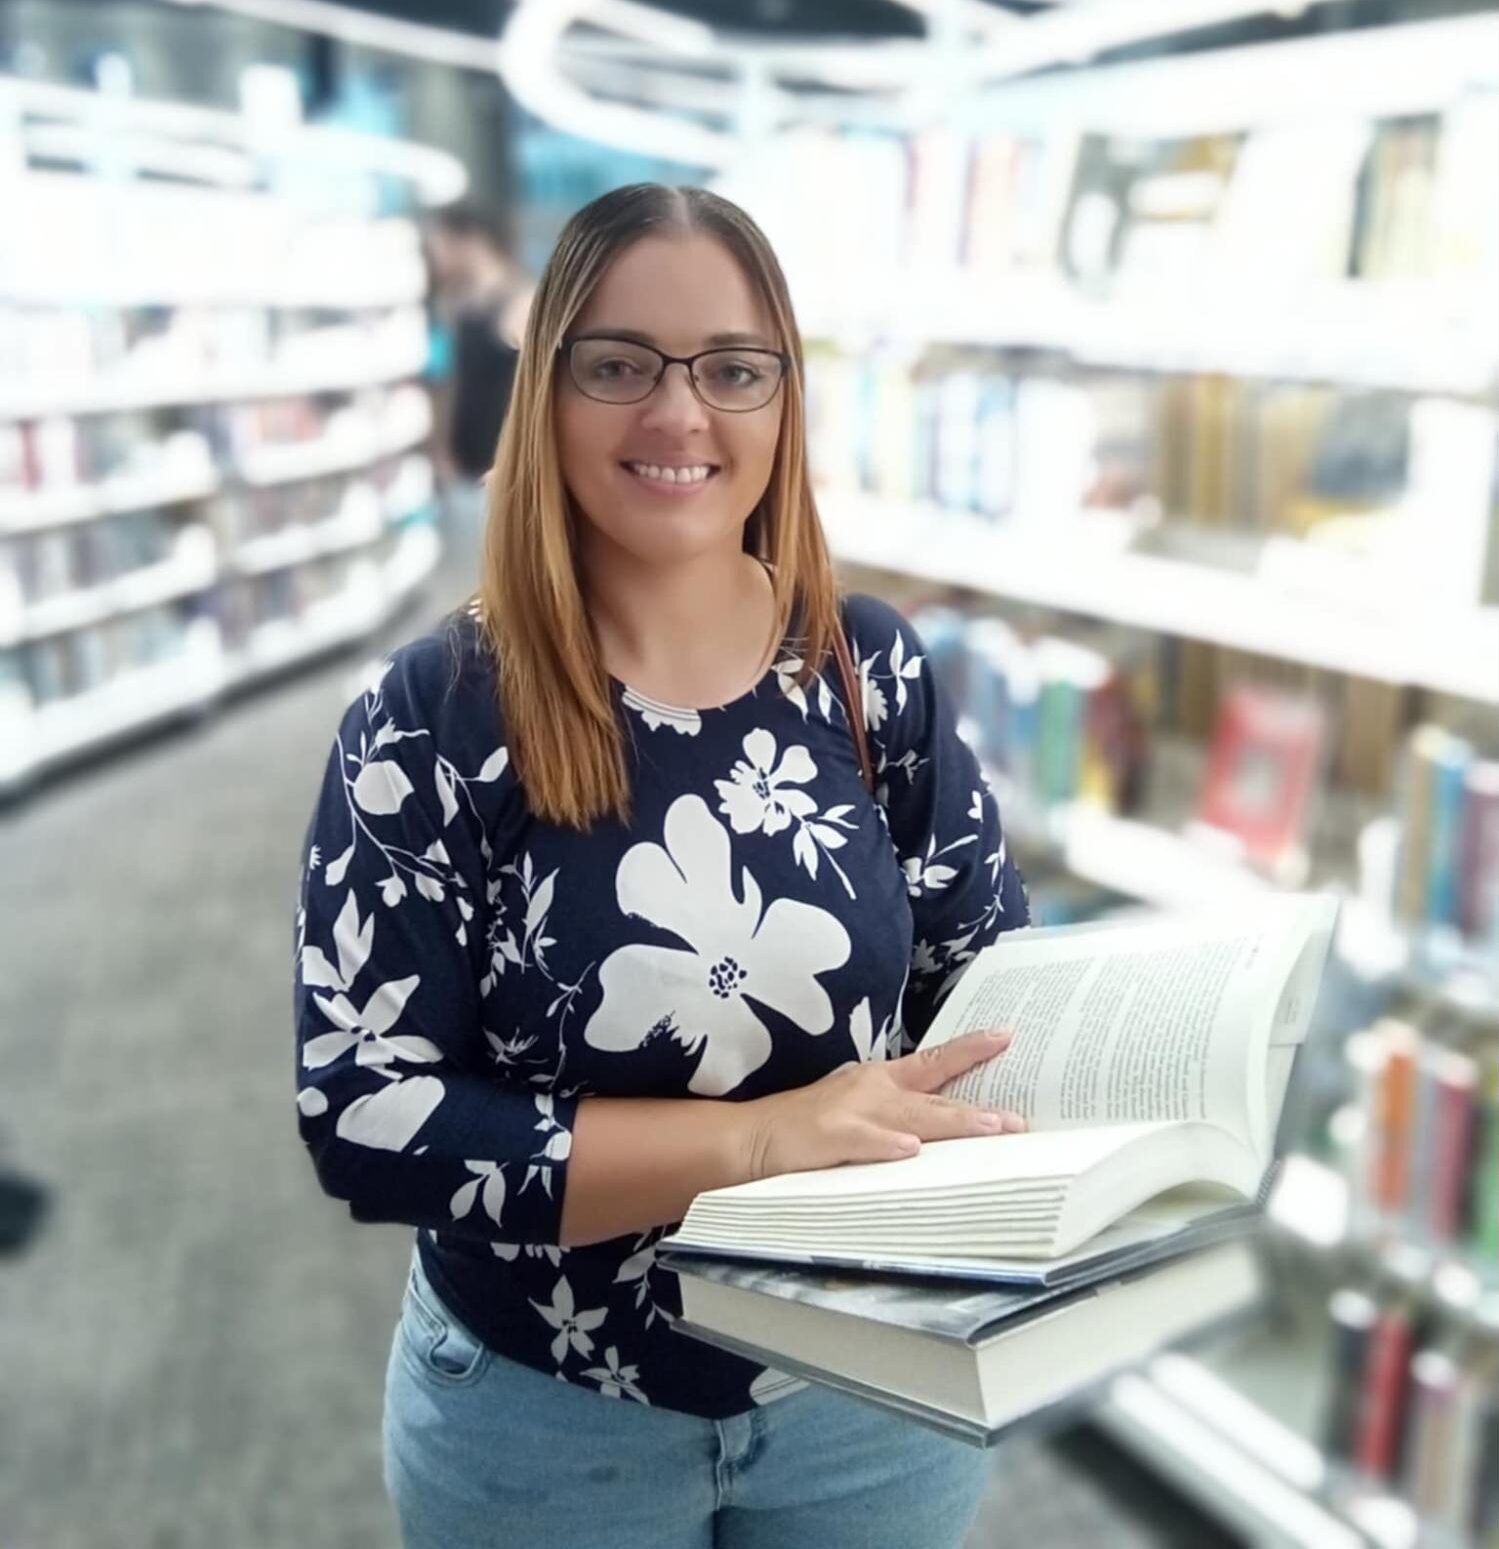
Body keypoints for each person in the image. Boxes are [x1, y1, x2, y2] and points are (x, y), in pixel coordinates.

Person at [294, 182, 1031, 1549]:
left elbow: (984, 983)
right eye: (621, 364)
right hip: (545, 1419)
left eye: (732, 370)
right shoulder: (436, 714)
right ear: (546, 388)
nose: (680, 415)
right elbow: (367, 1118)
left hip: (871, 1398)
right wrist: (751, 1142)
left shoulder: (866, 671)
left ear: (781, 401)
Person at [423, 202, 534, 542]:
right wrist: (440, 450)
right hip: (463, 471)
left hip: (509, 473)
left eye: (439, 242)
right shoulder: (453, 306)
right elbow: (447, 384)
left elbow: (544, 392)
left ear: (469, 239)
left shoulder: (522, 302)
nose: (435, 255)